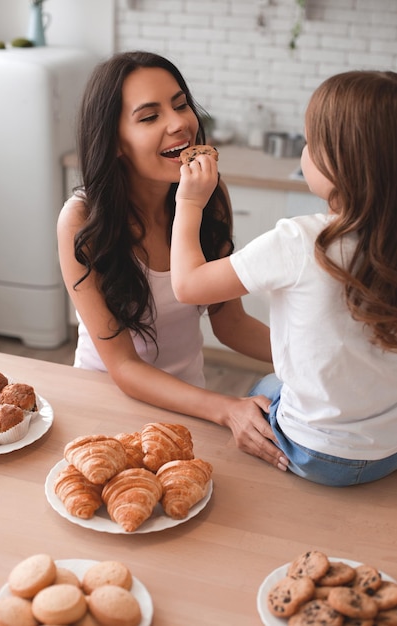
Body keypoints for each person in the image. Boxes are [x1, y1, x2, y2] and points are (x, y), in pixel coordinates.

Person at [57, 51, 289, 472]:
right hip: (106, 403)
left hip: (188, 406)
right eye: (149, 117)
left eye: (180, 104)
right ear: (115, 142)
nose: (179, 122)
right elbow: (124, 365)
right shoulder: (81, 220)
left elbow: (229, 322)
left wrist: (317, 355)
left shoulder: (207, 201)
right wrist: (227, 408)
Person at [170, 70, 397, 487]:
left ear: (338, 162)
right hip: (387, 449)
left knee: (262, 387)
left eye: (310, 141)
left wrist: (188, 203)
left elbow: (187, 285)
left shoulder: (299, 239)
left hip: (315, 452)